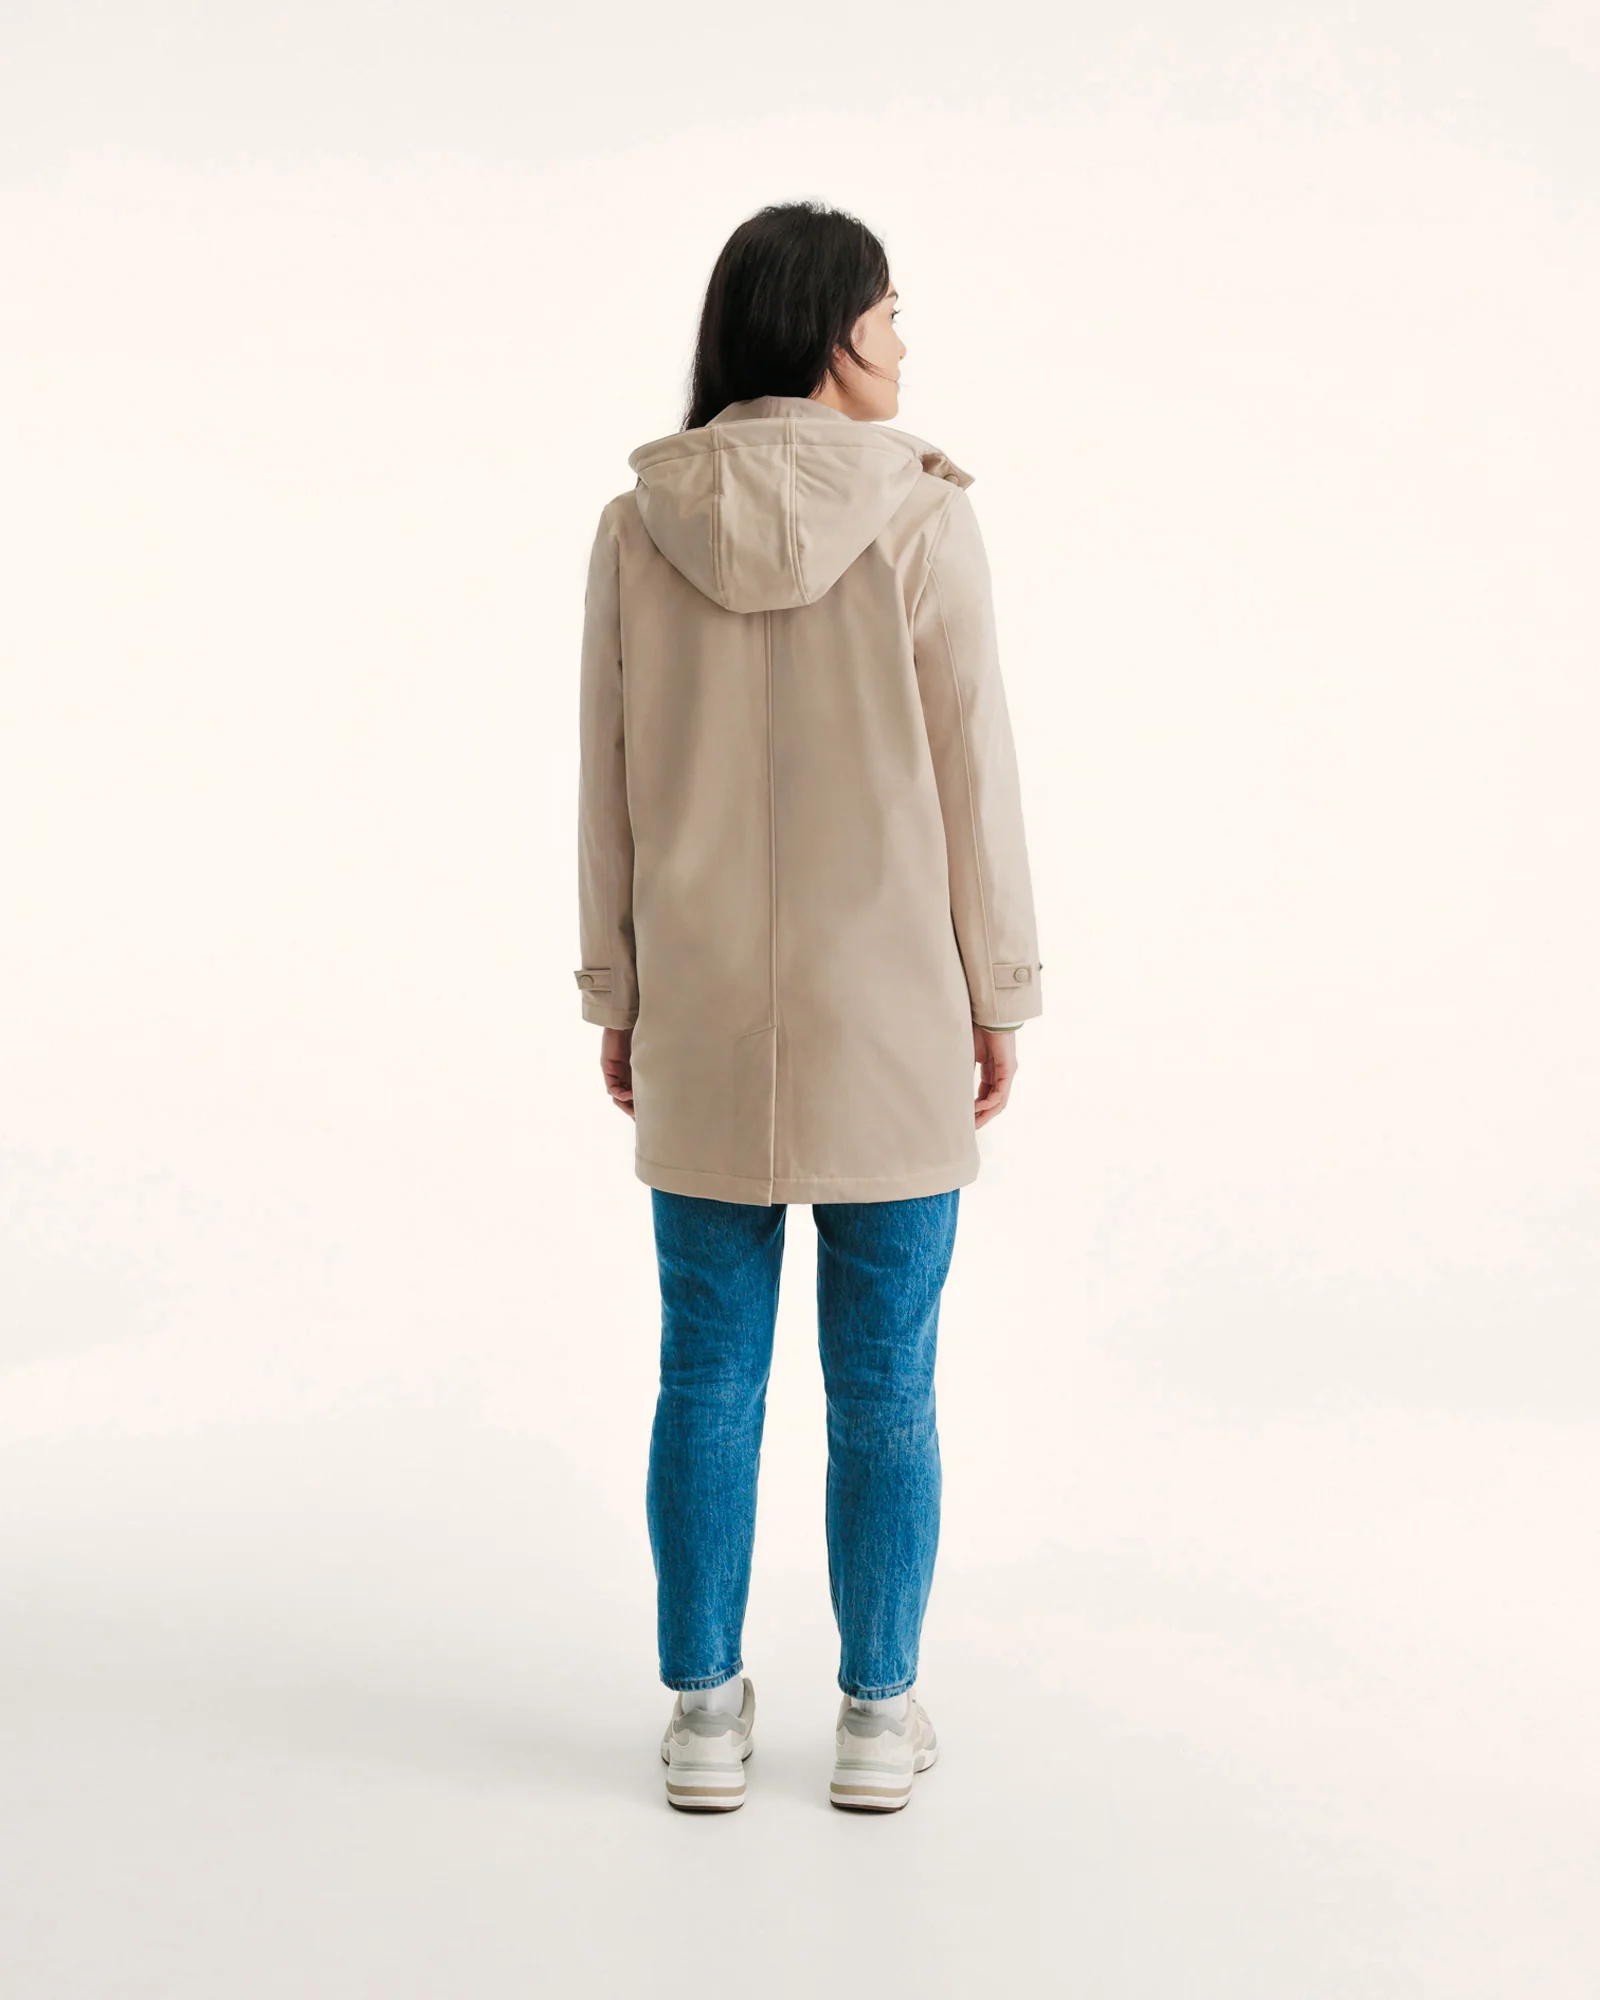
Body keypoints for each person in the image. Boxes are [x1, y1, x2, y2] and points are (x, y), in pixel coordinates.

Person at [573, 199, 1044, 1812]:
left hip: (703, 1012)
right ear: (832, 332)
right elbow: (975, 776)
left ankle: (704, 1716)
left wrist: (616, 987)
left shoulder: (638, 525)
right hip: (894, 1013)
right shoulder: (922, 516)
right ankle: (876, 1718)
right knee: (887, 1382)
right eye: (891, 312)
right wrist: (1000, 990)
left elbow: (607, 789)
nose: (905, 341)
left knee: (706, 1375)